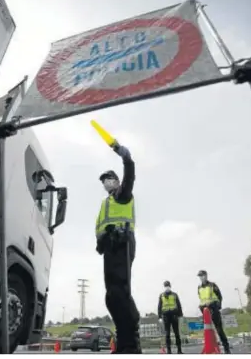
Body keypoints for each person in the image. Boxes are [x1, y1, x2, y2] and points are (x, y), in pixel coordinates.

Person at [95, 142, 141, 354]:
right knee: (112, 296)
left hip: (122, 243)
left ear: (116, 180)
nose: (106, 183)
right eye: (104, 181)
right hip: (109, 247)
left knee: (120, 292)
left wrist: (127, 159)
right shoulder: (106, 203)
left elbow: (130, 178)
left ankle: (131, 344)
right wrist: (100, 241)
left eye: (109, 179)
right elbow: (101, 227)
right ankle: (123, 342)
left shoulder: (123, 195)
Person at [197, 270, 231, 354]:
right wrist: (201, 307)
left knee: (219, 329)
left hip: (213, 308)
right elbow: (201, 299)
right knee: (208, 330)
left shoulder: (212, 285)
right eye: (200, 276)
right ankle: (211, 346)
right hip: (205, 311)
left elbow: (219, 297)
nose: (201, 277)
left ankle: (226, 347)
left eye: (202, 275)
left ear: (206, 275)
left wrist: (217, 306)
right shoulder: (199, 287)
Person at [157, 280, 184, 354]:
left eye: (168, 286)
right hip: (165, 316)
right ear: (164, 287)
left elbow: (178, 305)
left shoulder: (174, 295)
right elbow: (159, 306)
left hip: (174, 315)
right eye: (165, 286)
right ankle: (169, 351)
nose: (167, 287)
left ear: (170, 286)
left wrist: (180, 315)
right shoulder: (161, 295)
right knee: (167, 334)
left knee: (177, 333)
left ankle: (179, 350)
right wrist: (159, 317)